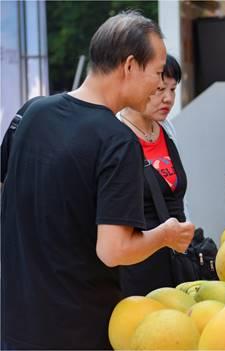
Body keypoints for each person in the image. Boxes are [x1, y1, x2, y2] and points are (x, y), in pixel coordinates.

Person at [1, 11, 195, 350]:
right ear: (130, 66)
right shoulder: (117, 140)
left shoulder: (32, 112)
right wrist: (164, 235)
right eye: (157, 71)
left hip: (15, 321)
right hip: (79, 330)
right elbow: (113, 250)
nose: (160, 83)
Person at [117, 54, 192, 296]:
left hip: (176, 263)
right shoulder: (115, 135)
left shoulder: (166, 129)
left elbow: (178, 199)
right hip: (135, 270)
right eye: (159, 89)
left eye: (173, 89)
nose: (168, 98)